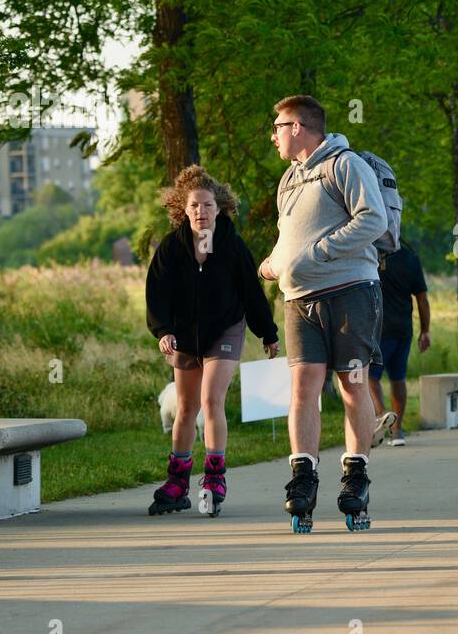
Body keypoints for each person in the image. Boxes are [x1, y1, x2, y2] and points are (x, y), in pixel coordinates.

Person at [258, 95, 388, 533]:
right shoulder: (288, 181)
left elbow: (374, 220)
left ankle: (355, 477)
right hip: (299, 301)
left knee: (353, 386)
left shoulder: (345, 165)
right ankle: (303, 478)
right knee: (303, 389)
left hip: (350, 291)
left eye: (277, 126)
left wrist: (318, 253)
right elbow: (287, 238)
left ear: (297, 127)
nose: (272, 134)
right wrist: (274, 262)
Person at [145, 165, 280, 517]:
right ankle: (177, 481)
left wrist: (267, 332)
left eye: (207, 205)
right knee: (186, 407)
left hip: (225, 329)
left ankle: (214, 478)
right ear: (183, 210)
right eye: (194, 207)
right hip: (185, 335)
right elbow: (156, 295)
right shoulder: (171, 249)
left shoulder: (232, 246)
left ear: (218, 208)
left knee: (210, 398)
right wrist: (163, 331)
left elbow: (252, 292)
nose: (201, 213)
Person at [368, 241, 431, 446]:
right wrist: (425, 331)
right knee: (398, 378)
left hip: (377, 328)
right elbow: (422, 298)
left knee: (370, 376)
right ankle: (397, 431)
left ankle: (382, 415)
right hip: (403, 329)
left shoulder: (370, 253)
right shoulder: (410, 256)